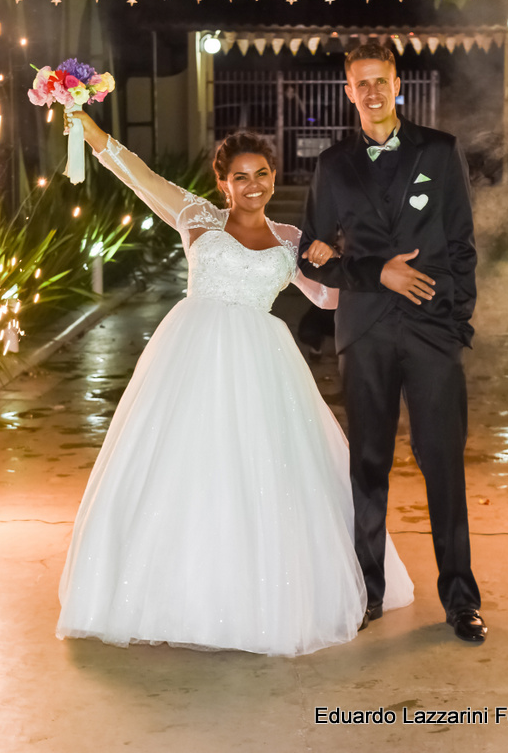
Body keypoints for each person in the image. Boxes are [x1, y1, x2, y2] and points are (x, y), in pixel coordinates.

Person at [55, 111, 413, 656]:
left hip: (260, 362)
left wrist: (348, 265)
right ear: (223, 182)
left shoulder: (291, 238)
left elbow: (326, 298)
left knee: (261, 472)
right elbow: (139, 174)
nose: (254, 186)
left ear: (274, 176)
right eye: (241, 176)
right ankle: (172, 592)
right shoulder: (196, 217)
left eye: (263, 174)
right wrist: (90, 130)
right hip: (190, 352)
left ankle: (251, 593)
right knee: (179, 467)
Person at [297, 43, 486, 643]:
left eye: (381, 81)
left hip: (432, 333)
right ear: (348, 91)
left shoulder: (439, 149)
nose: (372, 92)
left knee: (443, 466)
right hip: (367, 332)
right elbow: (313, 254)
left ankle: (460, 601)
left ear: (397, 85)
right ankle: (367, 593)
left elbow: (460, 243)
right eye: (361, 84)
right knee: (368, 467)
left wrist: (455, 322)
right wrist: (375, 272)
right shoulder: (332, 166)